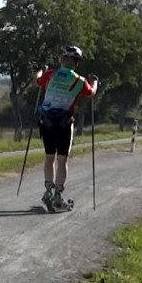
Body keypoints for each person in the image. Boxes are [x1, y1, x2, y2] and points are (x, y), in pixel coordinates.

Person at [32, 45, 99, 211]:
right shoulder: (79, 81)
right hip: (64, 123)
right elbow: (91, 93)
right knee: (62, 160)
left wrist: (40, 70)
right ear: (76, 62)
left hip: (46, 122)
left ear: (62, 59)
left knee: (49, 158)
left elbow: (37, 82)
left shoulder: (50, 74)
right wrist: (95, 82)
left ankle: (48, 191)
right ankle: (58, 196)